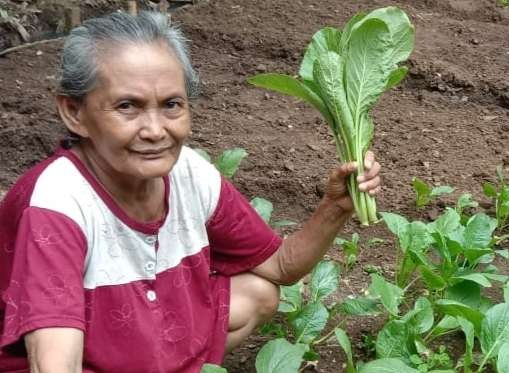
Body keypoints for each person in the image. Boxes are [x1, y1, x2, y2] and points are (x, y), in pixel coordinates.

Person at [0, 11, 381, 373]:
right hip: (83, 355)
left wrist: (336, 206)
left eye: (171, 105)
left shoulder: (188, 172)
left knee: (258, 292)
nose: (154, 129)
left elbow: (280, 267)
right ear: (74, 113)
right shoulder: (58, 202)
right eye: (127, 107)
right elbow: (54, 364)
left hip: (142, 331)